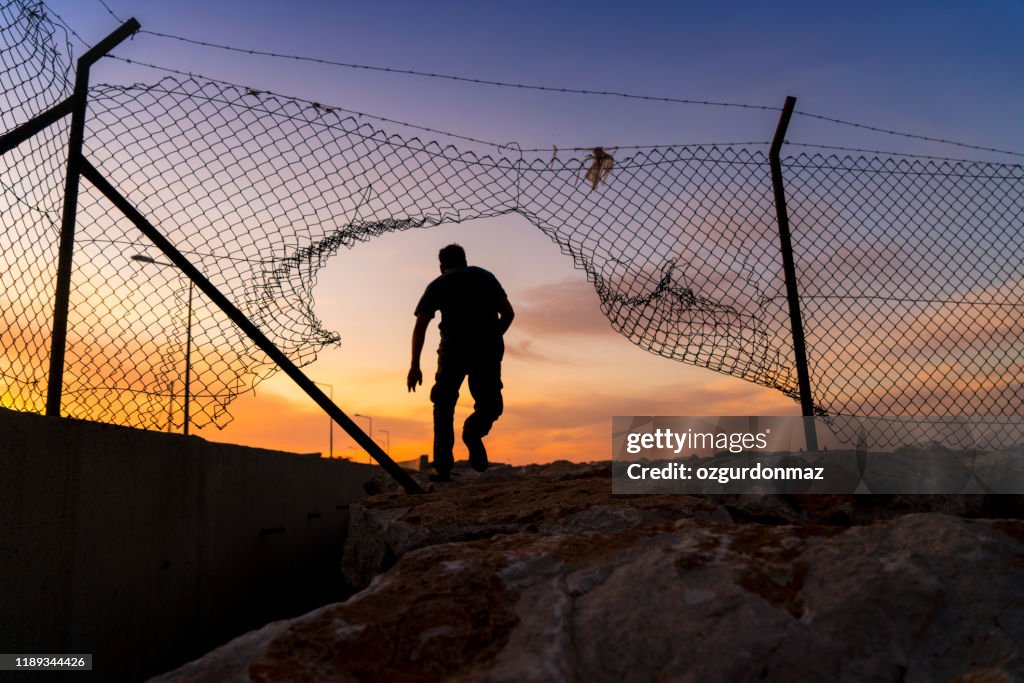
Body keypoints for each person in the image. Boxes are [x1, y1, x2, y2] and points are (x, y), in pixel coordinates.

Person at [407, 244, 514, 482]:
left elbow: (421, 325)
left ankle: (443, 467)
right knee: (490, 404)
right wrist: (495, 336)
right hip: (487, 350)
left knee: (443, 406)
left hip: (453, 351)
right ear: (465, 261)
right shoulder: (485, 277)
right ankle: (473, 432)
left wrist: (415, 364)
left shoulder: (438, 284)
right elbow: (508, 313)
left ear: (442, 266)